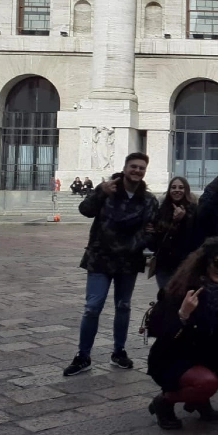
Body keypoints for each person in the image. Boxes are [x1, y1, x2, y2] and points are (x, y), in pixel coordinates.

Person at [147, 237, 218, 429]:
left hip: (206, 354)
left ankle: (200, 397)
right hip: (172, 358)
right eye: (217, 263)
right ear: (205, 262)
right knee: (207, 382)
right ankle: (164, 401)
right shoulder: (180, 288)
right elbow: (159, 332)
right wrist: (183, 315)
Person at [63, 153, 159, 377]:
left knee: (123, 306)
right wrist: (99, 193)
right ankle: (83, 355)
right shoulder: (107, 190)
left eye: (141, 168)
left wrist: (130, 245)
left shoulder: (148, 200)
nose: (137, 171)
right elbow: (85, 210)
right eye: (133, 167)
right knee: (92, 307)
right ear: (125, 168)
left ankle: (119, 351)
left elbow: (151, 232)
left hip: (128, 261)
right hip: (100, 259)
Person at [151, 176, 198, 290]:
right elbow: (155, 240)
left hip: (184, 264)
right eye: (173, 187)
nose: (177, 190)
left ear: (186, 190)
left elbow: (193, 237)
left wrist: (182, 220)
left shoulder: (194, 210)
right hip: (164, 264)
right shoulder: (161, 210)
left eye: (181, 187)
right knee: (165, 298)